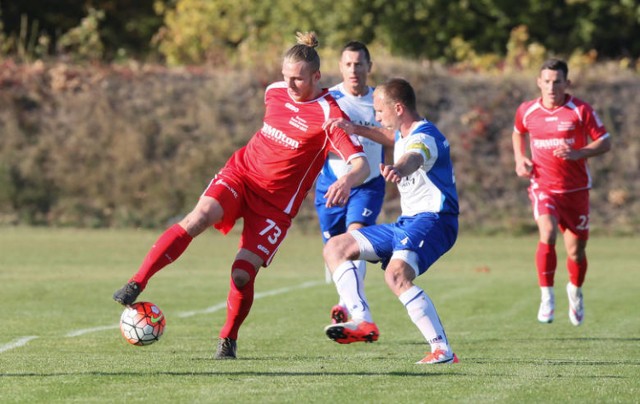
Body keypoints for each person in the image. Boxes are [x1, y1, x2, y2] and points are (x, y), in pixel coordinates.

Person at [112, 32, 370, 359]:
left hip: (275, 207)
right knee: (198, 217)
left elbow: (360, 164)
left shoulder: (329, 116)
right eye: (286, 76)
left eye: (298, 79)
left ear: (317, 77)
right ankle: (137, 282)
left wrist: (346, 181)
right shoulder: (274, 93)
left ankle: (228, 338)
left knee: (241, 273)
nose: (289, 85)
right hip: (241, 174)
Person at [322, 78, 460, 364]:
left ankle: (442, 350)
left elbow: (414, 158)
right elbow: (390, 137)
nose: (377, 116)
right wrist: (356, 129)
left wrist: (397, 169)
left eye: (380, 110)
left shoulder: (424, 137)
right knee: (336, 248)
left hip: (435, 220)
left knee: (396, 275)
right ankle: (362, 320)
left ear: (398, 108)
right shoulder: (402, 131)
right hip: (407, 223)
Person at [511, 58, 611, 326]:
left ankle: (575, 292)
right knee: (547, 232)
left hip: (576, 191)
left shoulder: (580, 110)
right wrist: (520, 159)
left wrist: (579, 152)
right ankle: (547, 296)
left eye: (557, 81)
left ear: (567, 83)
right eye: (547, 81)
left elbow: (605, 141)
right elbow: (518, 132)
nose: (551, 86)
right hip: (543, 186)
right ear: (538, 82)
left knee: (576, 251)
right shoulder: (527, 110)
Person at [314, 41, 393, 325]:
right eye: (348, 64)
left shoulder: (378, 101)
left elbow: (393, 137)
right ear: (340, 67)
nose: (353, 69)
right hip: (331, 184)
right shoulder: (329, 98)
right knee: (333, 247)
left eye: (359, 64)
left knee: (355, 238)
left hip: (368, 183)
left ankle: (349, 306)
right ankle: (348, 301)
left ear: (369, 67)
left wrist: (358, 130)